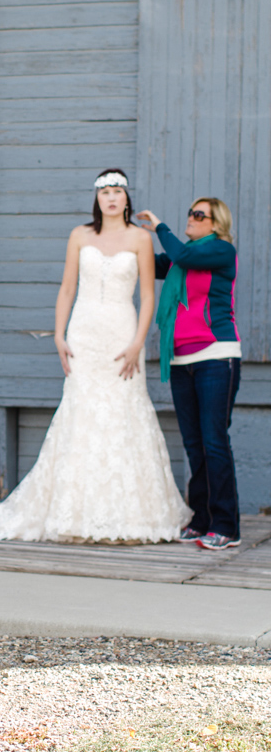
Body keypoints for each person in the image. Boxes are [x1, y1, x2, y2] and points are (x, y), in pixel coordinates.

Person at [0, 169, 190, 544]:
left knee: (124, 411)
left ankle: (132, 513)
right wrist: (60, 336)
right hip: (83, 332)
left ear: (127, 198)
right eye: (105, 192)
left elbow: (148, 295)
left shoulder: (140, 239)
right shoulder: (80, 235)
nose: (111, 198)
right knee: (80, 412)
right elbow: (67, 289)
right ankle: (72, 509)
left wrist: (138, 343)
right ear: (96, 198)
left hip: (121, 332)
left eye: (118, 191)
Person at [138, 199, 241, 551]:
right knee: (194, 444)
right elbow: (151, 263)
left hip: (216, 356)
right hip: (182, 360)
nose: (191, 219)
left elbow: (182, 257)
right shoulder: (184, 257)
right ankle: (201, 520)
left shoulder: (221, 251)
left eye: (200, 215)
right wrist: (122, 239)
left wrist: (159, 227)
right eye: (190, 213)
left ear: (216, 223)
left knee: (214, 442)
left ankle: (226, 525)